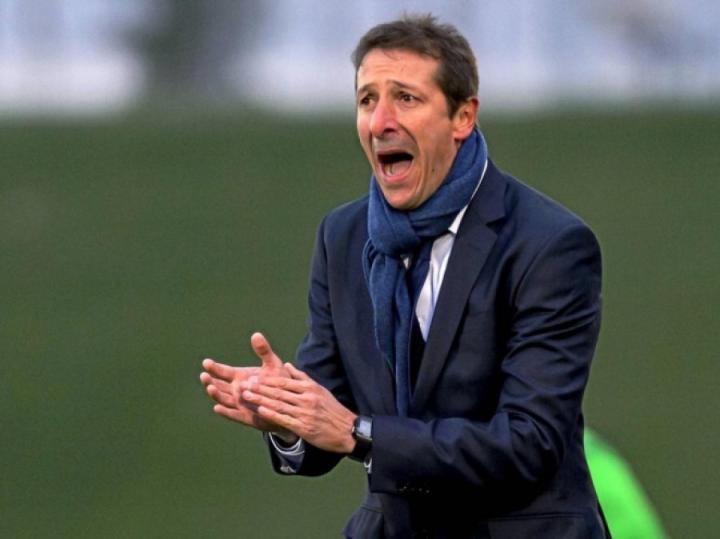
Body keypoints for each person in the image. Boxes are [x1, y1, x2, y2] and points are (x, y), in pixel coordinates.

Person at [201, 14, 609, 538]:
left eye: (406, 98)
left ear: (463, 117)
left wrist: (360, 434)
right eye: (367, 100)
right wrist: (288, 417)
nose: (380, 122)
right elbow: (329, 423)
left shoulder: (549, 244)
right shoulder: (343, 237)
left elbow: (529, 443)